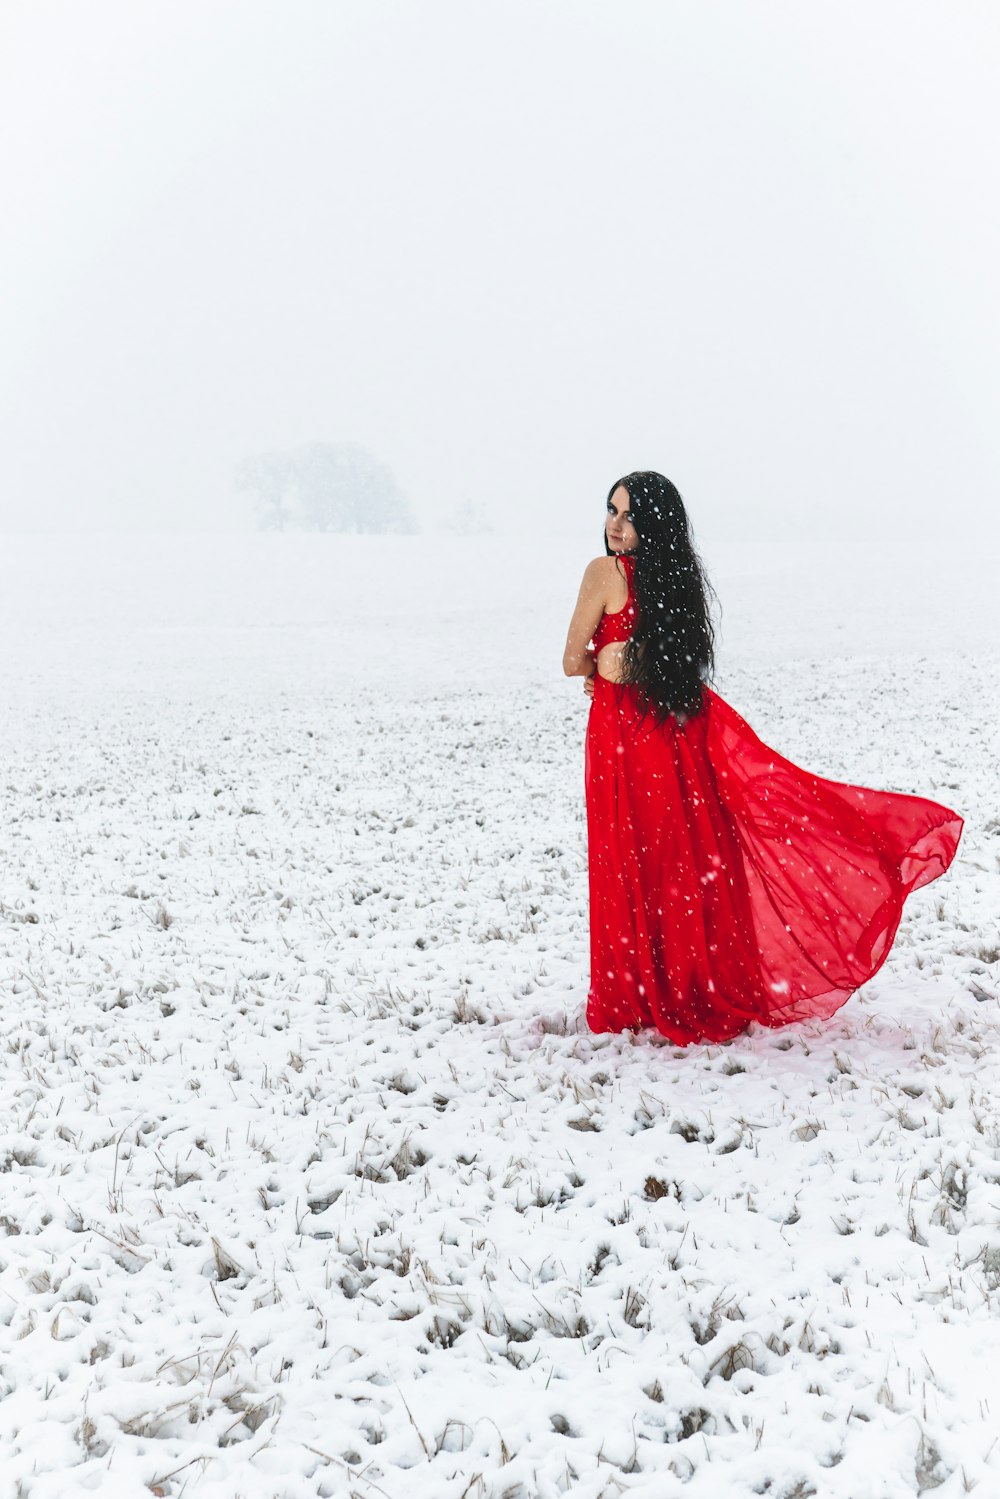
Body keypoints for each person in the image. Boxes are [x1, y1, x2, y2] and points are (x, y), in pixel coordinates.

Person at [562, 471, 963, 1044]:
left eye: (627, 514)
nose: (614, 525)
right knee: (682, 855)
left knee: (634, 855)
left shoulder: (603, 574)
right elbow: (675, 662)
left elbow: (573, 660)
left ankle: (642, 990)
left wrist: (607, 658)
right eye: (611, 510)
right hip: (677, 733)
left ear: (652, 523)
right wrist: (622, 658)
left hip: (627, 737)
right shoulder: (681, 580)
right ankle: (687, 982)